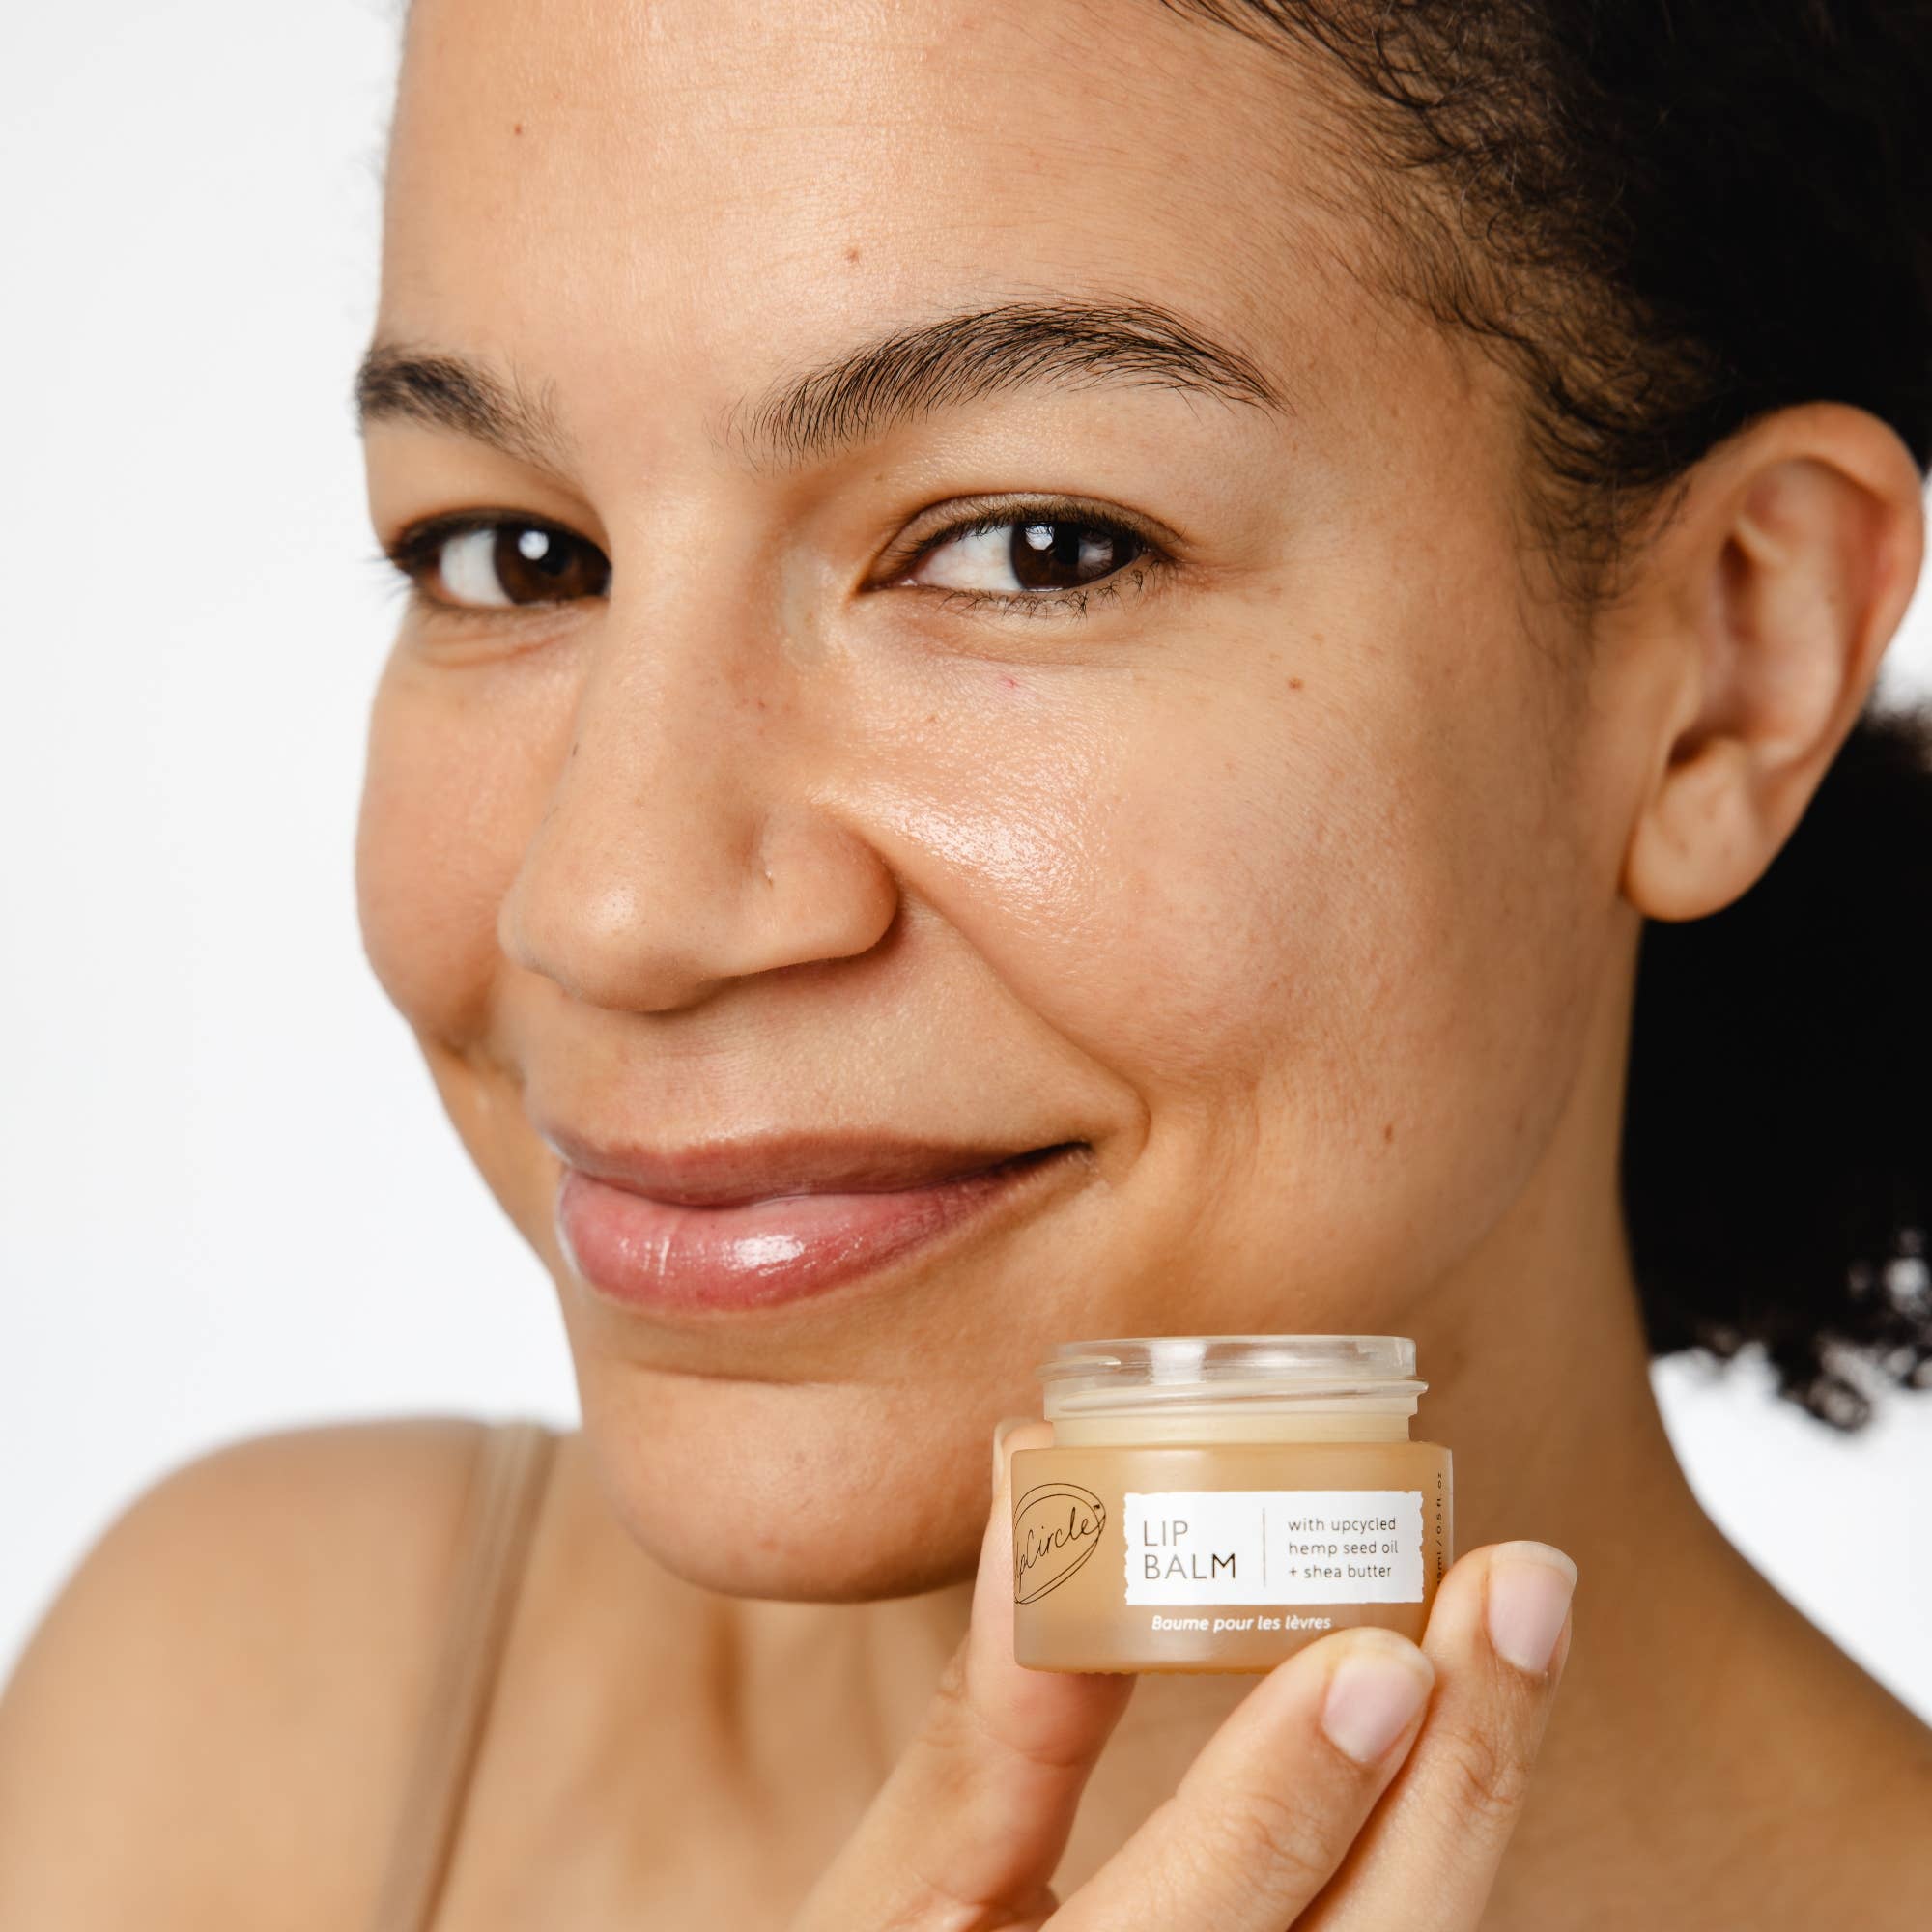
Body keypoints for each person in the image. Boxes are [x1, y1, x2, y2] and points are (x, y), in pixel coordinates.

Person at [3, 0, 1930, 1924]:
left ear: (1725, 666)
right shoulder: (250, 1725)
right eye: (512, 554)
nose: (610, 907)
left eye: (1032, 547)